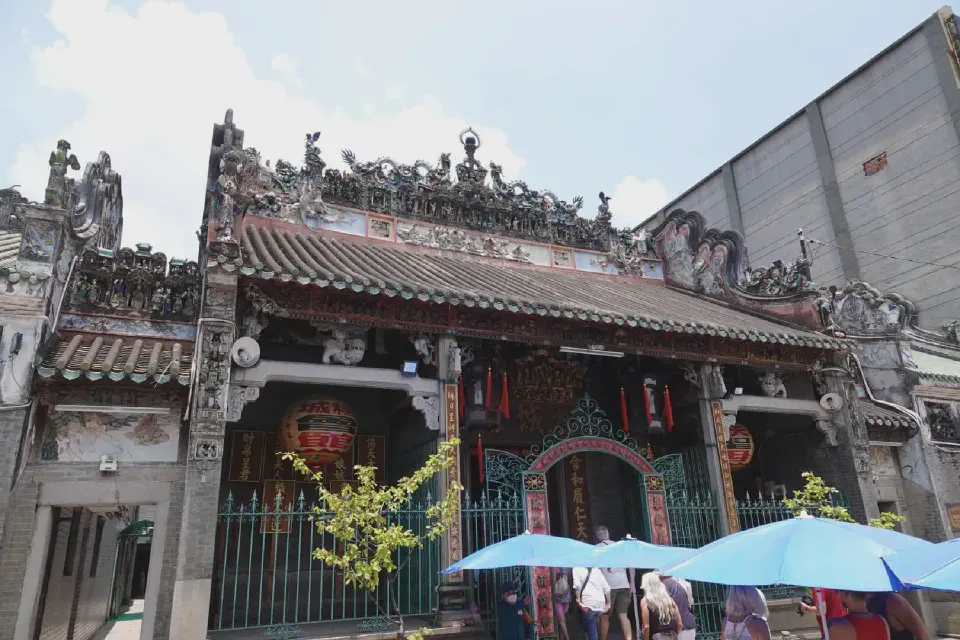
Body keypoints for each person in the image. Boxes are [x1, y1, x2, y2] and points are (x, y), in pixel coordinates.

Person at [595, 526, 636, 640]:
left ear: (598, 536)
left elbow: (595, 569)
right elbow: (631, 567)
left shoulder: (597, 548)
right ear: (608, 534)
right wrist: (631, 583)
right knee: (623, 615)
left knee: (605, 616)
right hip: (624, 584)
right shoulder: (620, 547)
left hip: (608, 586)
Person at [573, 565, 612, 640]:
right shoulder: (596, 569)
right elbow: (607, 588)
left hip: (588, 603)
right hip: (600, 603)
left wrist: (578, 600)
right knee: (593, 627)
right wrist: (608, 603)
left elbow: (577, 586)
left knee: (592, 633)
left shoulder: (577, 567)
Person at [640, 571, 682, 640]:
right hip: (672, 635)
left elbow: (646, 627)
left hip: (656, 637)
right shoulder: (669, 599)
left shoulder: (646, 601)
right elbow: (679, 623)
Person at [661, 574, 697, 640]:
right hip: (689, 623)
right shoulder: (682, 584)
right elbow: (690, 603)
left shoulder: (663, 585)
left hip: (678, 627)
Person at [554, 568, 573, 640]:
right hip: (566, 594)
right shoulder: (567, 566)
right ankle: (564, 638)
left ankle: (566, 638)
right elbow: (570, 579)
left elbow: (553, 581)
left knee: (561, 620)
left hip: (558, 596)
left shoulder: (553, 566)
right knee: (562, 620)